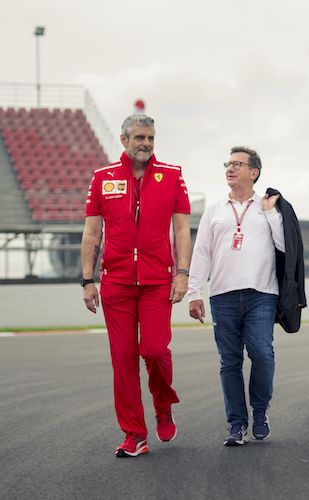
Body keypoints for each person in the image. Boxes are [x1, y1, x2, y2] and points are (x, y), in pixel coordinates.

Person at [80, 114, 192, 457]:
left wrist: (183, 273)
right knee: (124, 357)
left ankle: (163, 405)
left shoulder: (172, 176)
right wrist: (88, 280)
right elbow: (91, 233)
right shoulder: (103, 178)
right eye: (140, 137)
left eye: (151, 138)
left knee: (155, 350)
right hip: (116, 283)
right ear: (124, 140)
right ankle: (134, 434)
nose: (146, 143)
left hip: (159, 281)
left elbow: (183, 230)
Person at [188, 146, 297, 446]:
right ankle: (237, 424)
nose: (230, 168)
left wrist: (270, 213)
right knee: (230, 362)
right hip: (222, 295)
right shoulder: (214, 210)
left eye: (238, 164)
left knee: (262, 354)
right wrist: (194, 292)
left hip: (262, 294)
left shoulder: (267, 209)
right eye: (228, 163)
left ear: (254, 172)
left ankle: (259, 411)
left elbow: (285, 249)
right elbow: (201, 254)